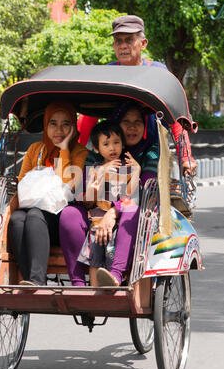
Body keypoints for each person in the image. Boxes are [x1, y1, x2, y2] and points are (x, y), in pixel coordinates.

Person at [77, 14, 196, 176]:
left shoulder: (157, 72)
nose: (123, 46)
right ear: (113, 45)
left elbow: (175, 118)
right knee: (88, 176)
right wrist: (74, 152)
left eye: (129, 40)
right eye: (119, 41)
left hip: (150, 147)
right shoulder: (107, 73)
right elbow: (89, 116)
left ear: (143, 44)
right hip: (114, 146)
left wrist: (186, 157)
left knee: (150, 183)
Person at [59, 103, 159, 287]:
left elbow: (143, 192)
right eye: (126, 121)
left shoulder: (149, 152)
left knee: (132, 210)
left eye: (138, 121)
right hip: (95, 214)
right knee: (69, 214)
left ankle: (116, 274)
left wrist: (114, 212)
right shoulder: (95, 159)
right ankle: (78, 284)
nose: (132, 127)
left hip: (132, 216)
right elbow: (84, 197)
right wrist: (98, 174)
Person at [8, 101, 88, 286]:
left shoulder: (80, 153)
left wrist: (65, 149)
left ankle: (37, 281)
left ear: (74, 127)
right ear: (46, 125)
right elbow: (22, 185)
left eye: (66, 124)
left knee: (35, 215)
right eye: (53, 123)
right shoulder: (36, 150)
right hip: (31, 214)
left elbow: (67, 186)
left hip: (62, 220)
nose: (59, 129)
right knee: (17, 219)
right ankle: (29, 279)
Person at [77, 120, 141, 287]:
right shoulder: (94, 169)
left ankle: (115, 277)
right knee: (94, 260)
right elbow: (88, 200)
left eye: (116, 142)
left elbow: (130, 196)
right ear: (97, 149)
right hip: (96, 223)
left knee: (111, 254)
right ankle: (93, 290)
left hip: (118, 225)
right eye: (106, 144)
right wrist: (101, 173)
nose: (112, 148)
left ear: (122, 144)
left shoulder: (126, 168)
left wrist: (137, 172)